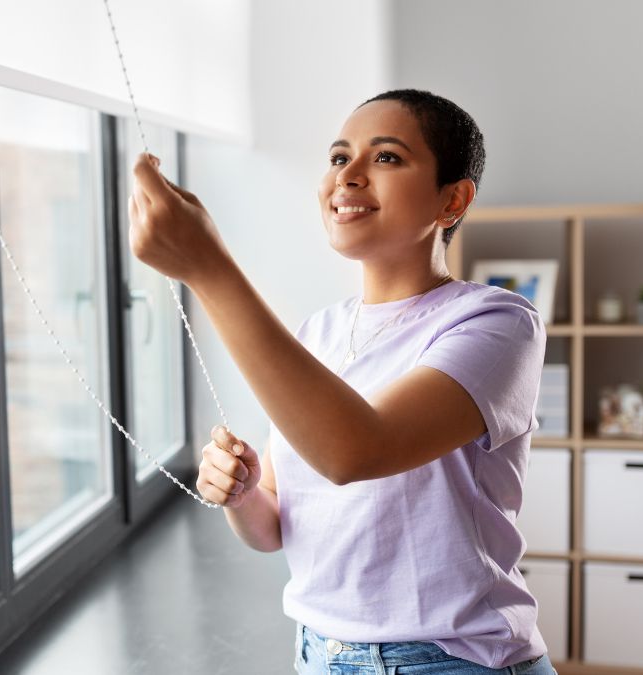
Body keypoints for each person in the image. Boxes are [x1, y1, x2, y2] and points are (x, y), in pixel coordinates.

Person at [128, 89, 555, 675]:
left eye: (385, 158)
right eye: (337, 158)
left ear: (453, 199)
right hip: (319, 654)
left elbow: (354, 449)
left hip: (451, 661)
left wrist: (207, 267)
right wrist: (241, 491)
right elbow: (274, 525)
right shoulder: (317, 333)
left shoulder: (497, 324)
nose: (347, 176)